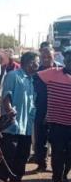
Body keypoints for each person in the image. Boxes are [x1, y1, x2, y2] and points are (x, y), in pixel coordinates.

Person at [0, 51, 39, 182]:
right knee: (8, 154)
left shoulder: (31, 80)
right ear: (30, 63)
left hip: (26, 126)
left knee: (23, 154)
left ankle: (16, 180)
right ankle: (2, 181)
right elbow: (6, 96)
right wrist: (9, 111)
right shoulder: (13, 76)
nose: (38, 65)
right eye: (36, 62)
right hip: (12, 125)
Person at [38, 49, 71, 182]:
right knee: (58, 152)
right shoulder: (52, 73)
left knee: (70, 154)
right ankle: (56, 179)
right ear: (65, 61)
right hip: (57, 123)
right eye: (69, 60)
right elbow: (32, 77)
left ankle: (64, 175)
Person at [32, 42, 59, 172]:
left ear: (55, 56)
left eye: (49, 56)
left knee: (57, 140)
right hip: (40, 110)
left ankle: (57, 167)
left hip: (59, 111)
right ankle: (41, 164)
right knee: (40, 139)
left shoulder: (62, 70)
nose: (46, 59)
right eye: (44, 57)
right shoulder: (35, 73)